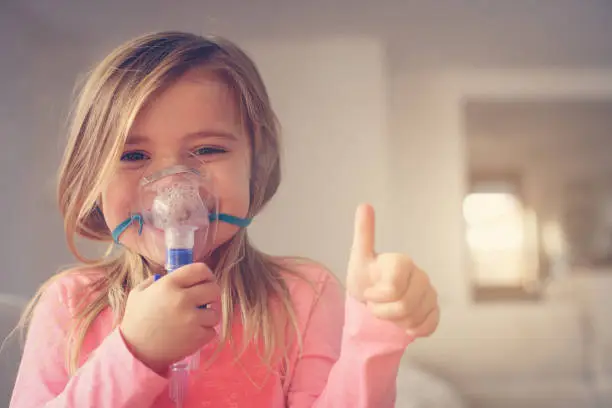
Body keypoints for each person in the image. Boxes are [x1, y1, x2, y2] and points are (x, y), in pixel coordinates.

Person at [9, 31, 440, 408]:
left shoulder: (302, 297)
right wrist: (133, 354)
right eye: (133, 156)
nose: (173, 186)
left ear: (257, 165)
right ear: (92, 178)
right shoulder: (70, 306)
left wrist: (376, 330)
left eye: (208, 150)